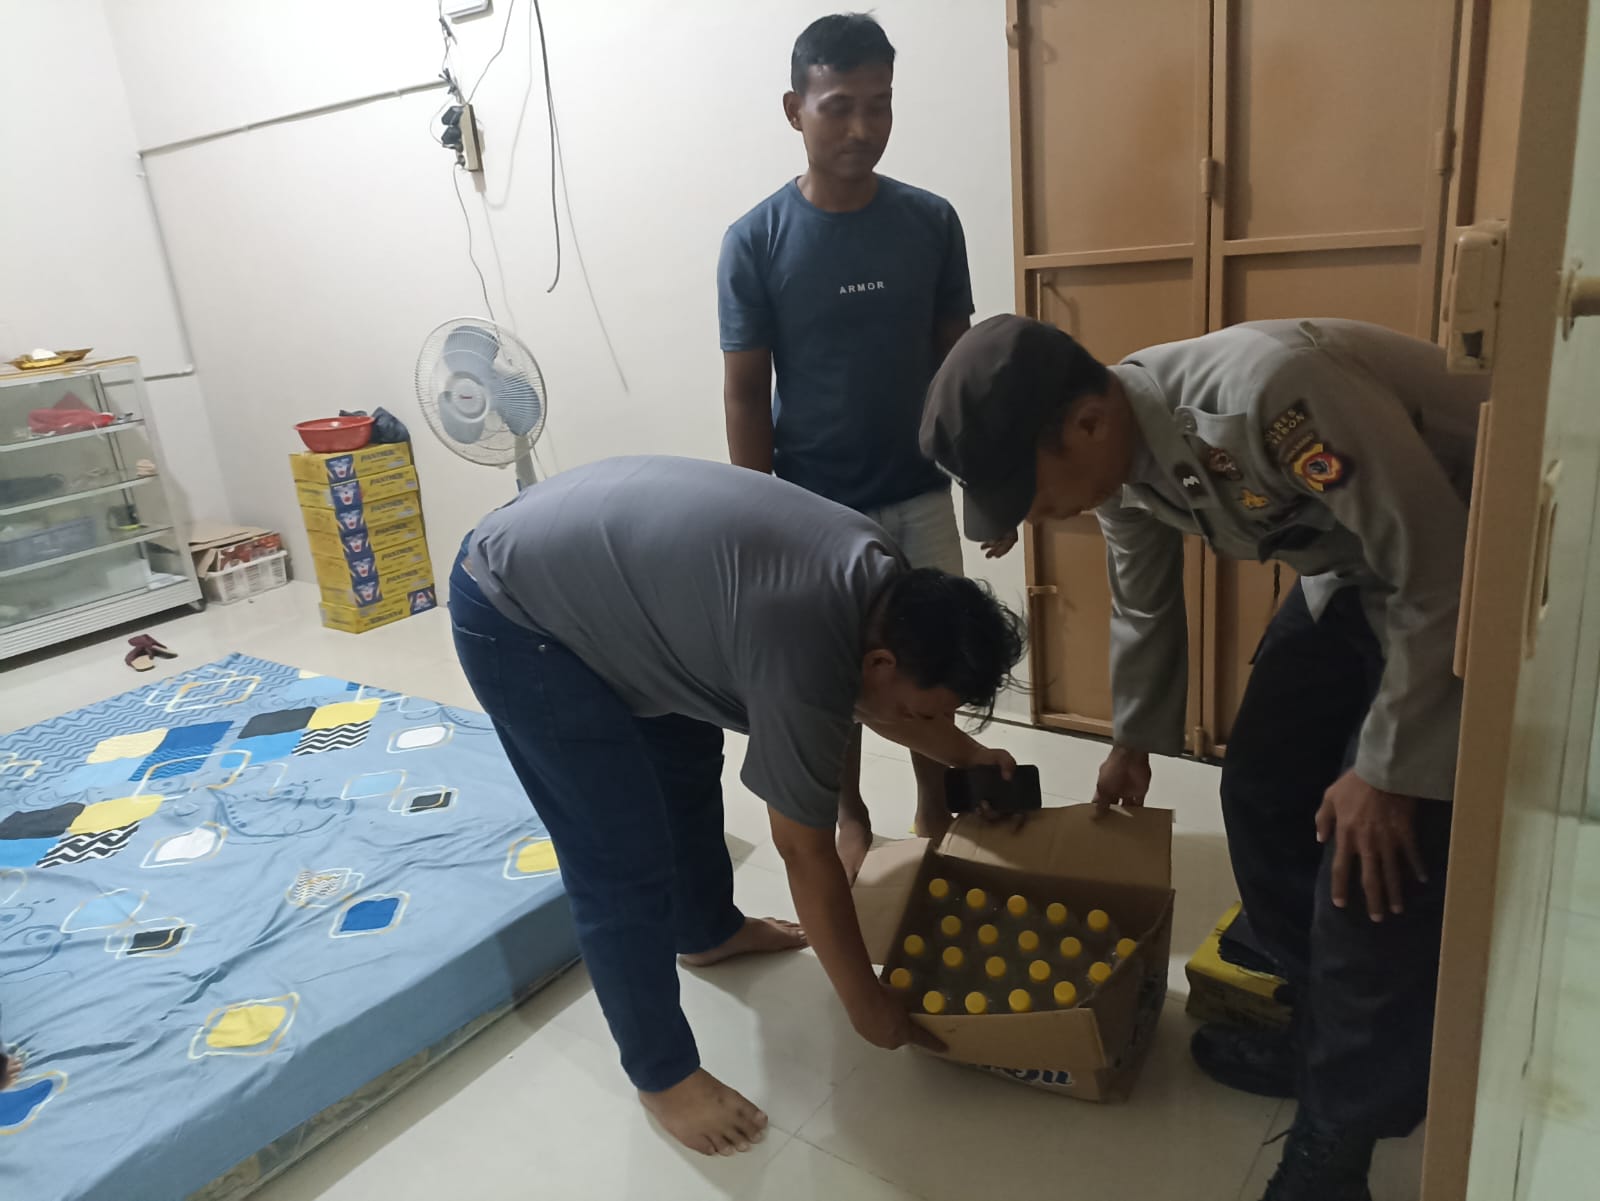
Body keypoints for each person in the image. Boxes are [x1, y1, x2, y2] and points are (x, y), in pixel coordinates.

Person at [920, 315, 1486, 1201]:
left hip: (1466, 564)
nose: (1033, 515)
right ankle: (1321, 1030)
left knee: (1372, 855)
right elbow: (1143, 600)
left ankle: (1335, 1149)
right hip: (1351, 569)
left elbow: (1439, 567)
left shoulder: (1272, 396)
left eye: (1028, 490)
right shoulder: (1115, 461)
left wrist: (1386, 773)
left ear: (1087, 424)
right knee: (1260, 783)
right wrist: (1134, 740)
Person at [450, 455, 1024, 1157]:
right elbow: (804, 851)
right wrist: (866, 1004)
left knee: (688, 760)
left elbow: (890, 703)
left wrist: (967, 754)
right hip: (516, 613)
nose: (928, 724)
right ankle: (662, 1076)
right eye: (927, 712)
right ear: (879, 665)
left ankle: (705, 931)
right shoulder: (809, 647)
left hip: (613, 591)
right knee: (620, 857)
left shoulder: (889, 589)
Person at [718, 12, 975, 879]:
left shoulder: (930, 221)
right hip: (813, 503)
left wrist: (982, 481)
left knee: (930, 662)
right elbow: (746, 392)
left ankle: (937, 802)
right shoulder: (755, 241)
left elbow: (958, 365)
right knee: (830, 676)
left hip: (920, 491)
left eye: (880, 104)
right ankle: (850, 811)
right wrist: (758, 517)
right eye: (839, 106)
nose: (862, 127)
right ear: (796, 109)